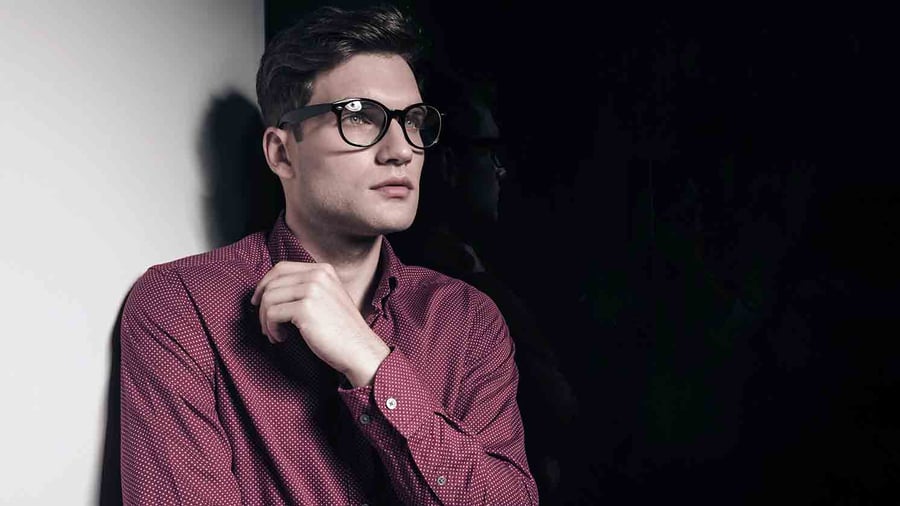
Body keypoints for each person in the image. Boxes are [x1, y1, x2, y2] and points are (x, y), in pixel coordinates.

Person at [118, 5, 537, 505]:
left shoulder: (465, 319)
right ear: (281, 153)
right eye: (359, 117)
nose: (401, 150)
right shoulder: (182, 306)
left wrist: (371, 362)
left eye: (413, 121)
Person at [389, 64, 579, 502]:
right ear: (449, 163)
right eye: (488, 151)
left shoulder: (480, 276)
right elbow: (561, 409)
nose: (500, 170)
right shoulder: (458, 297)